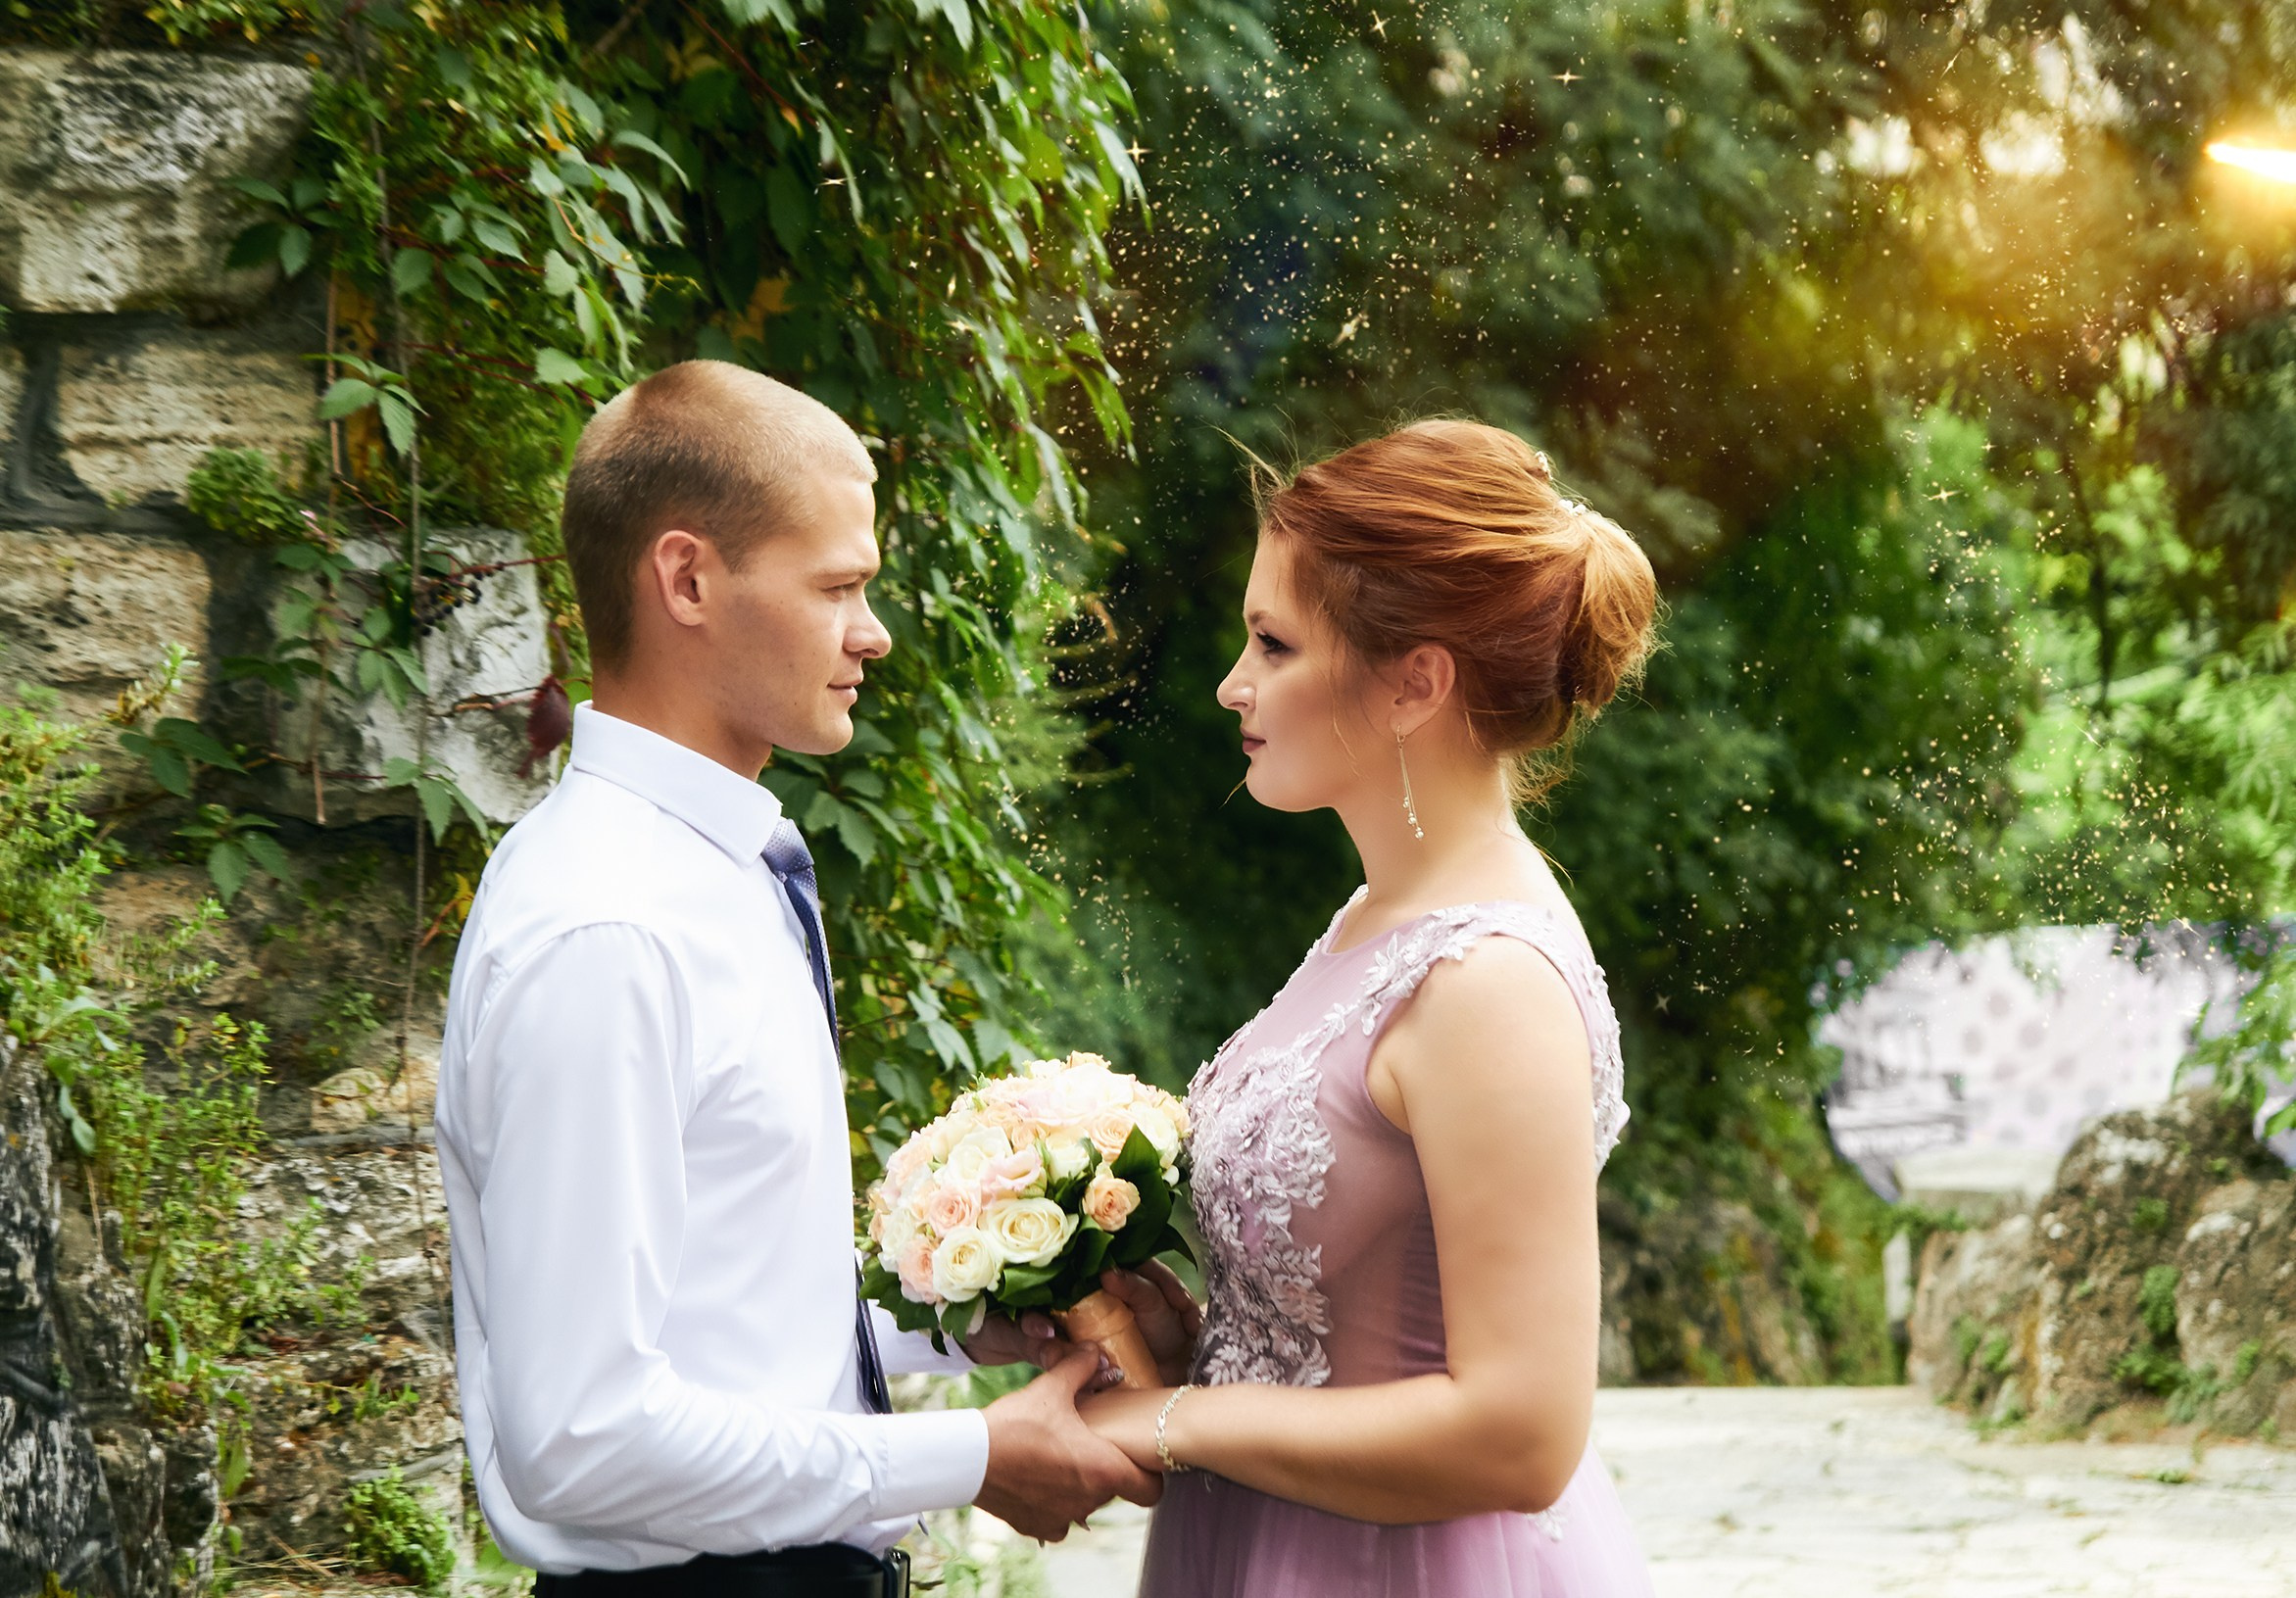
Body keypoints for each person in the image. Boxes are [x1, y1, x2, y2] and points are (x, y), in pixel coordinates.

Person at [433, 361, 1157, 1598]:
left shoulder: (722, 866)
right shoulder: (609, 927)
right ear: (687, 578)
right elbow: (578, 1441)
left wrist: (966, 1318)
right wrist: (968, 1455)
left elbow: (729, 1320)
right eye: (839, 586)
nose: (873, 630)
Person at [1085, 419, 1661, 1596]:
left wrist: (1167, 1419)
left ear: (1416, 681)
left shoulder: (1487, 981)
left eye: (1274, 643)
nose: (1232, 683)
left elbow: (1523, 1431)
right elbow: (1342, 1334)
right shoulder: (1374, 916)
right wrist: (1170, 1329)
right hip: (1268, 1536)